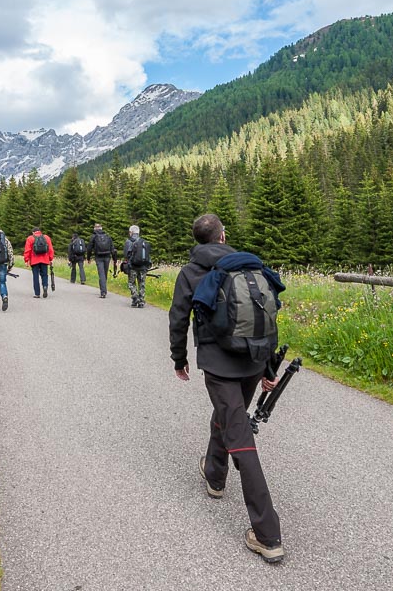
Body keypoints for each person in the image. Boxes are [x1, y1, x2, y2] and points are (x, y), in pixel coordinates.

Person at [168, 213, 284, 563]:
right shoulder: (247, 266)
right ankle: (215, 476)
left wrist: (179, 358)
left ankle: (268, 535)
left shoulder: (190, 272)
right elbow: (266, 315)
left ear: (198, 240)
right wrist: (266, 366)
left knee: (239, 436)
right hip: (251, 361)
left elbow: (178, 317)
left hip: (219, 365)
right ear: (222, 236)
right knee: (229, 416)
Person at [122, 224, 150, 308]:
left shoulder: (129, 241)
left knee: (131, 283)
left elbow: (126, 254)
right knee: (142, 283)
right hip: (144, 266)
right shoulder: (144, 242)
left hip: (133, 266)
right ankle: (141, 301)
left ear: (131, 232)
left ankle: (135, 297)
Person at [23, 226, 54, 298]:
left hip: (34, 260)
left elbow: (27, 250)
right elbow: (50, 249)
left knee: (35, 276)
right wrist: (50, 259)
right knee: (44, 275)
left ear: (33, 232)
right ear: (40, 231)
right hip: (45, 260)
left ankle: (37, 293)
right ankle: (45, 286)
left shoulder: (30, 238)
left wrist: (26, 260)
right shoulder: (46, 237)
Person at [86, 223, 117, 298]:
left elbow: (89, 248)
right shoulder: (107, 236)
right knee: (104, 274)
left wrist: (88, 258)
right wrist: (114, 260)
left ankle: (103, 292)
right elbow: (112, 248)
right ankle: (103, 289)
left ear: (94, 229)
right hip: (107, 257)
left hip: (98, 257)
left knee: (101, 274)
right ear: (101, 228)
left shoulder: (93, 236)